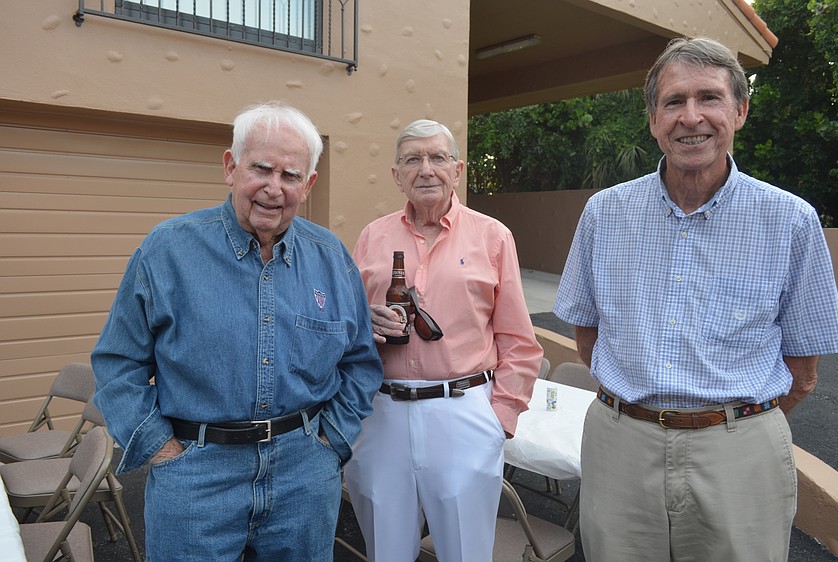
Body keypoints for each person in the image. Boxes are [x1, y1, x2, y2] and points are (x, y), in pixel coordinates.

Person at [554, 37, 838, 562]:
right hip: (621, 446)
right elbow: (587, 338)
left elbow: (803, 373)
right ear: (653, 120)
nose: (691, 117)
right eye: (673, 102)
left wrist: (730, 425)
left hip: (739, 453)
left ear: (740, 110)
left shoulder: (791, 221)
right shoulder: (604, 214)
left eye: (709, 98)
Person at [90, 101, 383, 561]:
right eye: (261, 169)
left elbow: (361, 362)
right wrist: (161, 449)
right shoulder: (167, 250)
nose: (273, 188)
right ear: (230, 167)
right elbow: (117, 362)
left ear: (308, 185)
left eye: (290, 176)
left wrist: (331, 444)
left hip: (304, 476)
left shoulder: (331, 258)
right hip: (194, 476)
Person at [344, 119, 541, 561]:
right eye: (413, 159)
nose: (426, 169)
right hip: (381, 413)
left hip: (464, 411)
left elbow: (517, 338)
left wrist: (501, 417)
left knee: (465, 551)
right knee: (386, 550)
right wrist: (363, 323)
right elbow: (345, 327)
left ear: (458, 169)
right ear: (396, 175)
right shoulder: (372, 237)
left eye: (437, 157)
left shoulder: (492, 236)